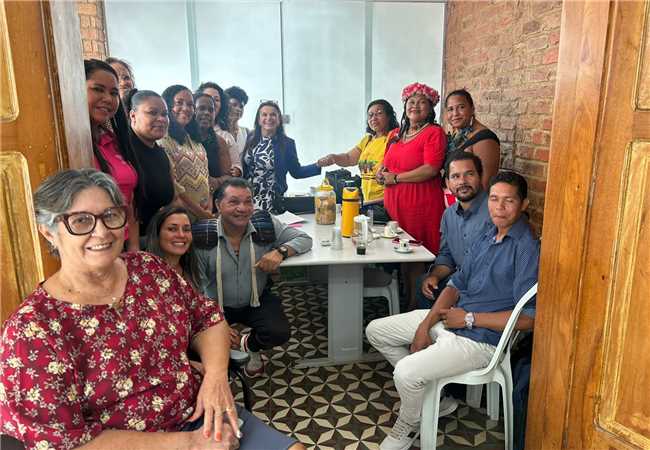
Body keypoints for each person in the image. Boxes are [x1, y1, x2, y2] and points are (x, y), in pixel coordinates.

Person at [0, 168, 305, 450]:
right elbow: (61, 442)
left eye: (110, 215)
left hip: (200, 416)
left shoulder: (147, 269)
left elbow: (206, 318)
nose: (102, 232)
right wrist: (190, 444)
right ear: (48, 231)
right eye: (81, 221)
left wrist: (215, 376)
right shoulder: (32, 330)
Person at [366, 171, 540, 450]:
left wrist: (469, 318)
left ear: (524, 205)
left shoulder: (526, 248)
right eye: (494, 199)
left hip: (481, 340)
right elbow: (455, 284)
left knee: (406, 373)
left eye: (508, 201)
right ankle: (435, 399)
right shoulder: (487, 235)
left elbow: (529, 318)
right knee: (376, 331)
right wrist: (426, 325)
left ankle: (409, 423)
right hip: (452, 320)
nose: (499, 207)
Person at [197, 178, 313, 377]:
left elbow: (304, 239)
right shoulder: (203, 236)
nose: (242, 208)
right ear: (218, 204)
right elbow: (196, 288)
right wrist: (214, 321)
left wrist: (281, 252)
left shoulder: (264, 224)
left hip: (255, 299)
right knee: (196, 339)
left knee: (278, 332)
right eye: (234, 202)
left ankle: (249, 346)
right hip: (216, 305)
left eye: (248, 201)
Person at [376, 82, 446, 309]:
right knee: (400, 258)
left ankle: (414, 309)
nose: (415, 106)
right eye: (411, 102)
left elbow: (431, 169)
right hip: (395, 206)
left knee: (414, 257)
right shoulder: (396, 134)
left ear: (431, 108)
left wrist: (396, 178)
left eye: (421, 102)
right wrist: (381, 173)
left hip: (420, 205)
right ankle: (404, 301)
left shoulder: (434, 133)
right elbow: (386, 163)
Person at [417, 151, 491, 309]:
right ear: (447, 182)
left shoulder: (495, 211)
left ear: (480, 176)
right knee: (425, 283)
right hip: (459, 280)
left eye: (469, 174)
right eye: (455, 176)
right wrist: (435, 276)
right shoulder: (449, 215)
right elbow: (447, 256)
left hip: (486, 286)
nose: (462, 182)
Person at [85, 58, 142, 252]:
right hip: (94, 249)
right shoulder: (70, 145)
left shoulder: (113, 140)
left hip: (122, 245)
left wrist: (134, 250)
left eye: (114, 93)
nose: (108, 99)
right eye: (98, 89)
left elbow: (129, 200)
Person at [317, 99, 399, 221]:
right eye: (370, 115)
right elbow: (349, 158)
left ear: (389, 116)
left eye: (379, 113)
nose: (374, 118)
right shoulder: (367, 140)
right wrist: (333, 157)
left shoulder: (393, 137)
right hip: (369, 202)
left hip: (385, 201)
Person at [242, 101, 324, 214]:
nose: (268, 118)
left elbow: (296, 172)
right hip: (247, 197)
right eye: (264, 115)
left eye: (273, 115)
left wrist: (317, 165)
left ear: (279, 120)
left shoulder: (287, 143)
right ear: (258, 119)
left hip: (270, 200)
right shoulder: (250, 138)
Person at [125, 89, 175, 235]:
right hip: (135, 239)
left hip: (161, 234)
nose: (161, 119)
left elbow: (172, 198)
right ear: (133, 115)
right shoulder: (123, 151)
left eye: (165, 114)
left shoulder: (161, 153)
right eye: (152, 113)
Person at [159, 84, 212, 220]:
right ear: (167, 106)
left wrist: (209, 207)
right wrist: (202, 214)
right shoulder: (163, 141)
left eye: (190, 105)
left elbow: (207, 179)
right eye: (179, 103)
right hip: (181, 219)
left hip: (204, 216)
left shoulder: (196, 142)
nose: (186, 108)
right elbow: (175, 189)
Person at [445, 89, 500, 190]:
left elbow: (485, 184)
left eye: (461, 107)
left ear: (472, 109)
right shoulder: (457, 134)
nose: (455, 113)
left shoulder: (485, 139)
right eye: (450, 109)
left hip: (470, 199)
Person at [145, 205, 200, 289]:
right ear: (157, 234)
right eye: (172, 229)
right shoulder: (144, 270)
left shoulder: (192, 270)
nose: (181, 235)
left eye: (186, 230)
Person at [188, 93, 232, 196]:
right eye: (201, 108)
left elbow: (229, 177)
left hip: (213, 196)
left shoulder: (220, 141)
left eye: (211, 110)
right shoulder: (183, 139)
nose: (207, 113)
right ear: (192, 110)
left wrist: (216, 182)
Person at [197, 82, 239, 176]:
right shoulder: (186, 136)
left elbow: (234, 168)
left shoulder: (223, 138)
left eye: (216, 99)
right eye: (207, 96)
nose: (210, 101)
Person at [224, 86, 250, 177]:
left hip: (242, 180)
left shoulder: (246, 132)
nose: (238, 109)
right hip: (223, 180)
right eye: (234, 105)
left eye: (241, 106)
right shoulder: (218, 131)